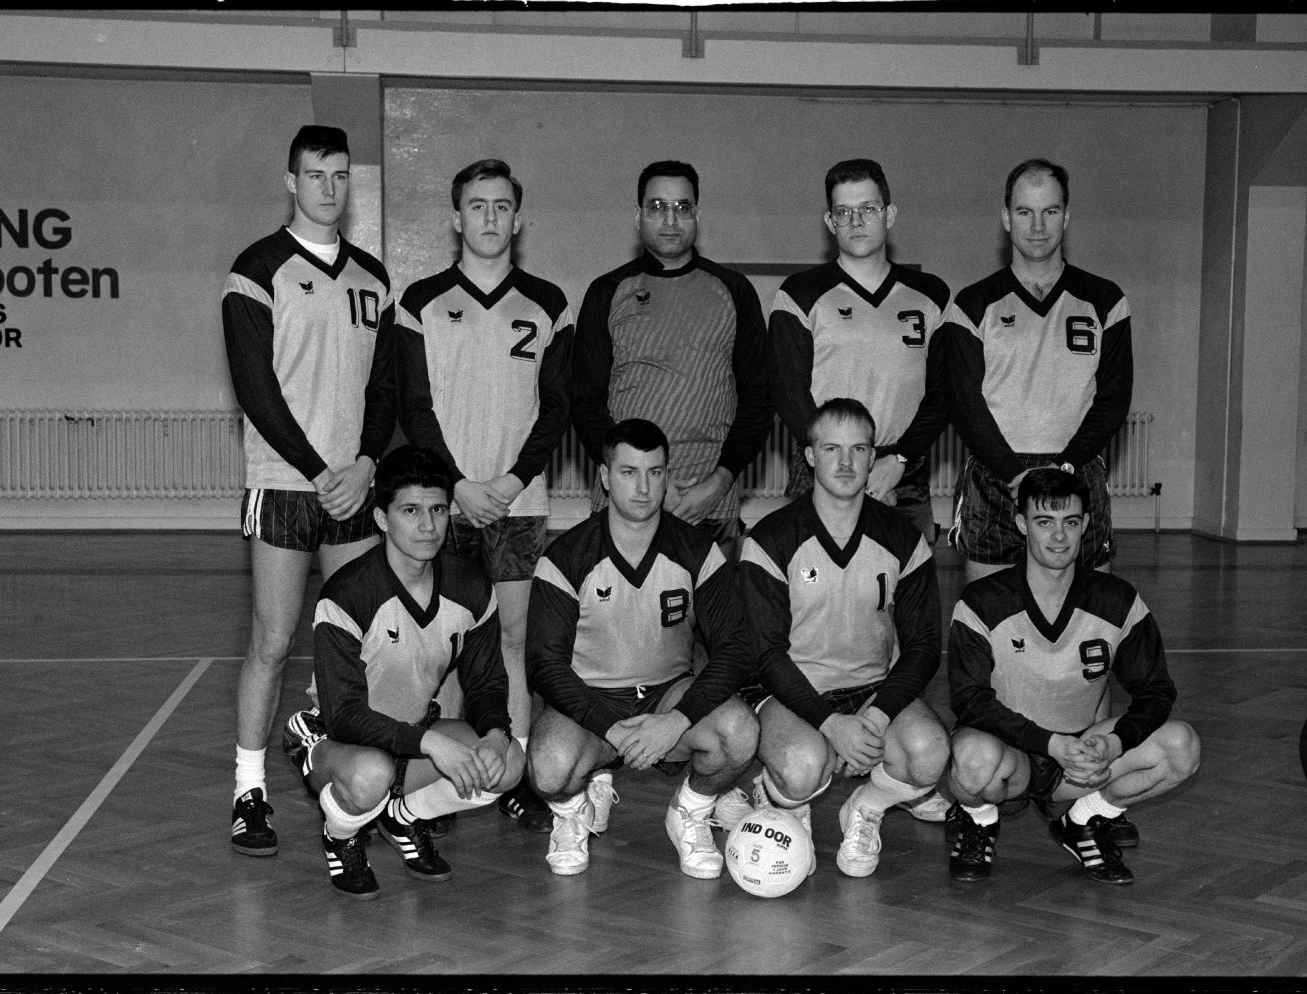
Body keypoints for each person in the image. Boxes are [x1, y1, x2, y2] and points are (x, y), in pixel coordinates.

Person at [221, 124, 397, 857]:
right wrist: (317, 467)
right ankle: (249, 791)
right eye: (315, 175)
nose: (329, 187)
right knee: (272, 638)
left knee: (361, 647)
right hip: (284, 484)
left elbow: (384, 387)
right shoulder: (255, 270)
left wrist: (362, 464)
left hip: (352, 490)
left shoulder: (373, 278)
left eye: (339, 176)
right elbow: (254, 388)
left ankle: (362, 783)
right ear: (290, 181)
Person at [394, 158, 574, 834]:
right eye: (477, 206)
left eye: (502, 207)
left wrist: (507, 482)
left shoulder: (550, 303)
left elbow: (555, 409)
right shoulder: (420, 301)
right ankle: (441, 776)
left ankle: (513, 774)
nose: (490, 218)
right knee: (438, 644)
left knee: (512, 640)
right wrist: (457, 486)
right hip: (444, 503)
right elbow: (416, 406)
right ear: (455, 218)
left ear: (518, 219)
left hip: (517, 501)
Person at [280, 445, 525, 899]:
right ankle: (340, 835)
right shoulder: (347, 594)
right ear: (381, 519)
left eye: (437, 510)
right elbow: (346, 715)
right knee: (370, 775)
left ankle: (405, 814)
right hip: (335, 740)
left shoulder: (470, 587)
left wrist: (494, 733)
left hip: (412, 733)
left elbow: (487, 681)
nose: (427, 525)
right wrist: (433, 744)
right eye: (410, 510)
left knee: (507, 764)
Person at [525, 418, 759, 879]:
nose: (644, 487)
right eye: (629, 472)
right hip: (589, 704)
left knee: (740, 732)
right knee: (549, 768)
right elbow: (544, 666)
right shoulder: (565, 557)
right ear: (604, 477)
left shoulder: (699, 550)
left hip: (667, 695)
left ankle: (690, 811)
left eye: (655, 472)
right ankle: (572, 813)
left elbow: (734, 650)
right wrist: (610, 728)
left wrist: (676, 720)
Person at [943, 468, 1199, 885]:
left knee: (1181, 746)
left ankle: (1085, 820)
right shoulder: (982, 602)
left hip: (1082, 758)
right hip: (1014, 754)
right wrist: (1050, 744)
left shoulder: (1117, 601)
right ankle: (980, 820)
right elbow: (969, 700)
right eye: (1045, 522)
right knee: (972, 761)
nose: (1059, 537)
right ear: (1022, 524)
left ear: (1085, 526)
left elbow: (1155, 690)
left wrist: (1114, 741)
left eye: (1071, 522)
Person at [729, 398, 948, 878]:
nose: (845, 462)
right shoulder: (770, 539)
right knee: (806, 765)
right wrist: (831, 724)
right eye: (831, 448)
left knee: (930, 754)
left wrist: (877, 714)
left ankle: (866, 808)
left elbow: (925, 646)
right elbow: (765, 655)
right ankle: (782, 800)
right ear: (810, 457)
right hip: (791, 691)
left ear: (874, 458)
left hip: (871, 688)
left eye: (858, 449)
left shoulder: (904, 539)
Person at [941, 158, 1132, 586]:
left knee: (1089, 613)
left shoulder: (1105, 300)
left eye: (1050, 211)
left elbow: (1113, 399)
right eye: (1025, 211)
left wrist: (1065, 467)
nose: (1038, 225)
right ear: (1006, 218)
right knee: (988, 616)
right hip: (996, 477)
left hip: (1077, 472)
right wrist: (1013, 472)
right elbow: (964, 403)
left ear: (1067, 216)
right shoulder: (973, 305)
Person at [572, 160, 773, 549]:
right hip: (625, 501)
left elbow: (758, 399)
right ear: (638, 216)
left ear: (697, 215)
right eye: (657, 207)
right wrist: (636, 480)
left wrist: (719, 482)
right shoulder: (607, 291)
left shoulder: (733, 290)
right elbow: (585, 403)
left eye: (682, 208)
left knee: (713, 611)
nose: (670, 219)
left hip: (710, 501)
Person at [767, 158, 952, 543]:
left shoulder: (932, 294)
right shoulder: (799, 294)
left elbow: (943, 392)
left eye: (868, 209)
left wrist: (898, 460)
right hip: (821, 467)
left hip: (902, 471)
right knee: (814, 592)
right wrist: (836, 457)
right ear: (829, 222)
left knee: (906, 594)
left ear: (890, 214)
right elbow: (788, 392)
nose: (856, 221)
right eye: (844, 212)